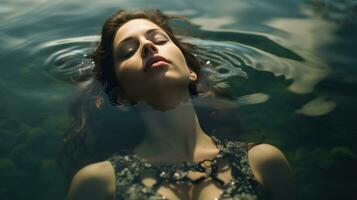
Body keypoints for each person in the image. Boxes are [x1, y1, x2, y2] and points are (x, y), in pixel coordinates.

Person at [65, 9, 295, 200]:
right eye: (128, 51)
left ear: (192, 72)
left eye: (159, 40)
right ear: (121, 95)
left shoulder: (264, 162)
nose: (147, 46)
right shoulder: (97, 184)